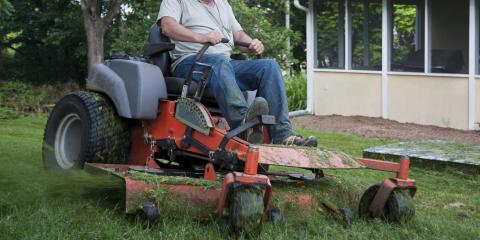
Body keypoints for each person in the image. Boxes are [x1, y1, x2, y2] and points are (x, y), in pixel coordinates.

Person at [158, 0, 317, 147]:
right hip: (190, 63)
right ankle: (243, 126)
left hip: (224, 65)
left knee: (269, 66)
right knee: (219, 62)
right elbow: (167, 26)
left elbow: (239, 35)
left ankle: (283, 135)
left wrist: (251, 44)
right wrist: (202, 37)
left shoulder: (223, 4)